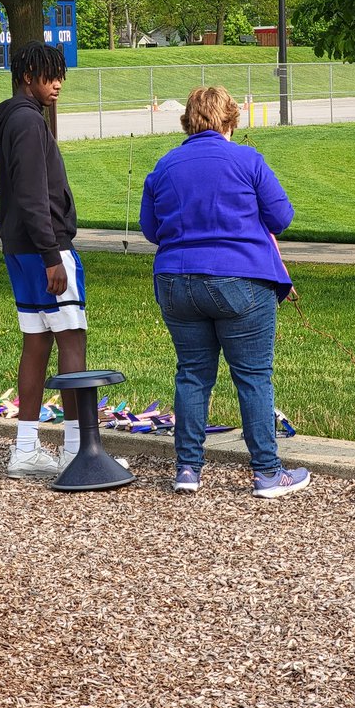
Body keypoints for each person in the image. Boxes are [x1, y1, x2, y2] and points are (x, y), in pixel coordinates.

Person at [140, 86, 311, 499]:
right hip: (241, 280)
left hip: (177, 281)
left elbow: (150, 229)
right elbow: (281, 217)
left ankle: (187, 469)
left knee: (193, 374)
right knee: (252, 377)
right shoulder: (247, 160)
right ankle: (268, 472)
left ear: (188, 122)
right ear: (231, 121)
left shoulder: (163, 166)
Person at [0, 41, 87, 479]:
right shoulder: (27, 123)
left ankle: (26, 448)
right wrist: (52, 255)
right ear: (28, 76)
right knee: (72, 341)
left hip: (19, 248)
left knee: (36, 343)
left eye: (60, 73)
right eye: (49, 75)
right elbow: (31, 195)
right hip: (45, 249)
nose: (58, 82)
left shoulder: (13, 120)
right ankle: (79, 450)